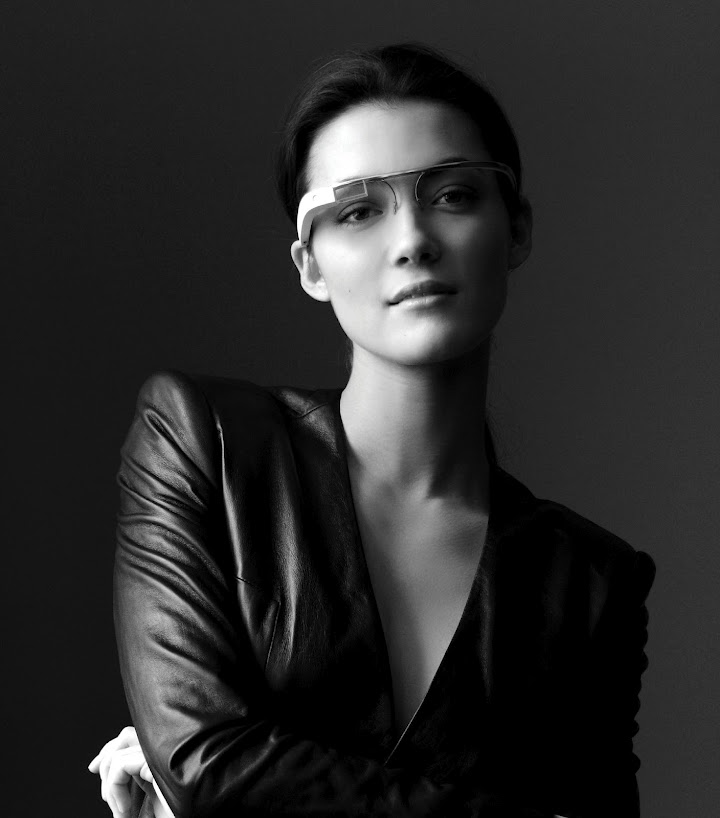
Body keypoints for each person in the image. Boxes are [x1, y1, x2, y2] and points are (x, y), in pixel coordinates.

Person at [87, 43, 656, 818]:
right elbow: (206, 760)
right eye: (357, 211)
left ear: (516, 228)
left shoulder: (590, 580)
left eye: (454, 195)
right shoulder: (205, 443)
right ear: (310, 266)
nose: (413, 240)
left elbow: (211, 780)